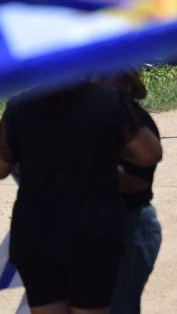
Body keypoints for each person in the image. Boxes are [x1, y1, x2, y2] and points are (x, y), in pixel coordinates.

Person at [0, 82, 162, 314]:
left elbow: (1, 168)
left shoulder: (19, 106)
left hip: (37, 232)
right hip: (92, 232)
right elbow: (150, 154)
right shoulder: (107, 100)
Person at [100, 72, 162, 314]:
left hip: (131, 224)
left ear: (127, 84)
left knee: (120, 306)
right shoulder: (92, 116)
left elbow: (137, 184)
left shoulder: (138, 121)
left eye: (106, 75)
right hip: (93, 225)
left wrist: (94, 170)